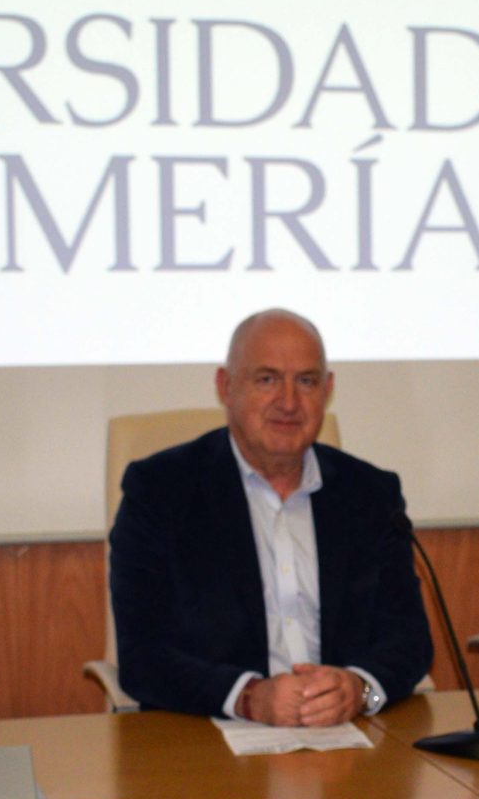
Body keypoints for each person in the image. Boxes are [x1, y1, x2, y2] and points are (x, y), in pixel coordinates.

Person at [109, 308, 432, 725]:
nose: (289, 402)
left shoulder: (370, 494)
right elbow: (142, 655)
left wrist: (359, 689)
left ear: (327, 390)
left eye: (306, 381)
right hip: (208, 738)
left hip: (347, 735)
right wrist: (248, 697)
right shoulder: (160, 491)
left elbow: (409, 639)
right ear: (226, 387)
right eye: (267, 379)